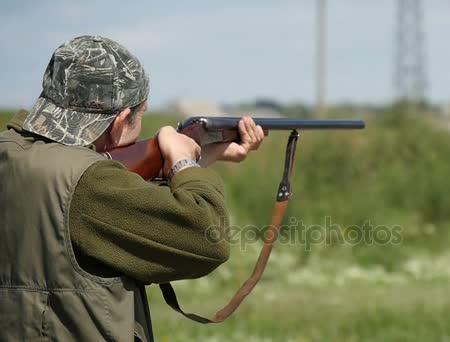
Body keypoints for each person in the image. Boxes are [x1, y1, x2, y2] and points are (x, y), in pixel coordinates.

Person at [0, 35, 264, 342]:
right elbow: (208, 238)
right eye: (141, 115)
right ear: (120, 121)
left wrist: (200, 156)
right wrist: (182, 163)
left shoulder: (11, 152)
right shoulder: (90, 182)